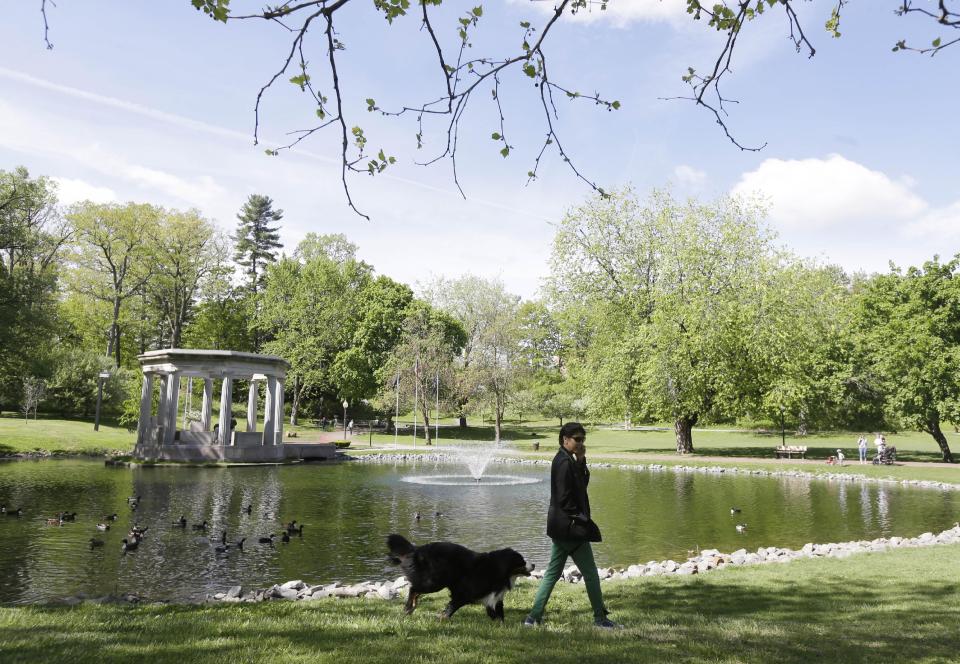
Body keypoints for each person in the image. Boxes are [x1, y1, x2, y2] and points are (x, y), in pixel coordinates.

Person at [524, 422, 620, 629]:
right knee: (591, 575)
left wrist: (581, 460)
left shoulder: (567, 460)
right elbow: (564, 499)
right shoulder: (562, 463)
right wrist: (582, 520)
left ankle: (532, 618)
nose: (580, 443)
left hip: (562, 528)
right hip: (569, 529)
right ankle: (600, 619)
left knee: (551, 574)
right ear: (565, 439)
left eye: (583, 440)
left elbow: (581, 485)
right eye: (577, 439)